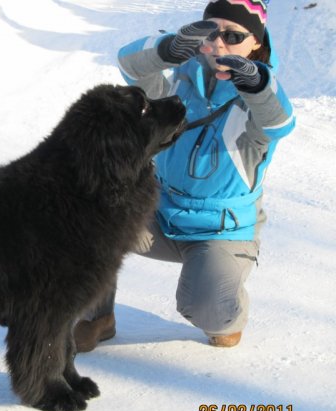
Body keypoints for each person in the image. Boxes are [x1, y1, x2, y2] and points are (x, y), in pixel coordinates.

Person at [73, 0, 295, 352]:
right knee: (87, 219)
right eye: (210, 32)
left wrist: (256, 83)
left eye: (233, 35)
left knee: (207, 307)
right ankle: (97, 316)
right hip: (158, 212)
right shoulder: (181, 79)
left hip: (221, 229)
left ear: (256, 41)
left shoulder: (259, 98)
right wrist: (169, 50)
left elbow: (280, 122)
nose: (219, 44)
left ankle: (223, 306)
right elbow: (129, 65)